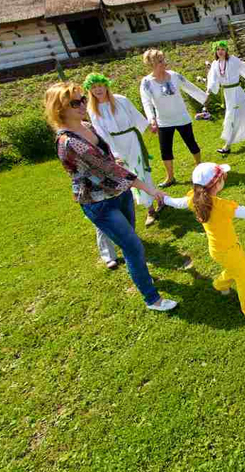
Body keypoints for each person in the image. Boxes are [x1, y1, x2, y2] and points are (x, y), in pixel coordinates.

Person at [45, 82, 176, 312]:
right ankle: (152, 299)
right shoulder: (68, 142)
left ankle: (140, 275)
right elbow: (107, 170)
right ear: (59, 109)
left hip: (120, 193)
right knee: (133, 246)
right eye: (74, 103)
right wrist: (150, 189)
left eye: (82, 100)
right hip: (99, 203)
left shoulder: (86, 126)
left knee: (130, 242)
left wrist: (114, 160)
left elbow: (105, 158)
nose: (82, 105)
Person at [161, 163, 245, 320]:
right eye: (222, 177)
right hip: (229, 251)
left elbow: (177, 203)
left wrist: (164, 198)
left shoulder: (194, 199)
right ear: (216, 184)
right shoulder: (222, 206)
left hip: (217, 250)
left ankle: (220, 284)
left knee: (234, 269)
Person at [84, 73, 163, 271]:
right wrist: (111, 154)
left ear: (106, 86)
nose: (98, 90)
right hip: (115, 145)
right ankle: (146, 205)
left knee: (140, 171)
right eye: (94, 88)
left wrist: (149, 126)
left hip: (131, 140)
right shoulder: (92, 110)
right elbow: (100, 134)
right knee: (126, 177)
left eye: (101, 85)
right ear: (91, 91)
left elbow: (136, 116)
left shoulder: (120, 100)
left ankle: (151, 208)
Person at [140, 49, 209, 189]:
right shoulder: (147, 82)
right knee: (165, 150)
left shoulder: (174, 76)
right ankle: (170, 177)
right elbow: (146, 102)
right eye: (160, 61)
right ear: (152, 64)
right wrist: (152, 119)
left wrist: (205, 98)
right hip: (164, 122)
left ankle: (200, 170)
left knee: (191, 143)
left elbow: (189, 87)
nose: (164, 63)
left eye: (163, 59)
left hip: (182, 117)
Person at [206, 40, 245, 155]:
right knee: (244, 115)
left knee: (232, 117)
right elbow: (212, 79)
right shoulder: (214, 64)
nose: (220, 51)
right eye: (218, 49)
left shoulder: (233, 60)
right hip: (227, 94)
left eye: (222, 49)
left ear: (226, 50)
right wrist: (208, 90)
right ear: (215, 51)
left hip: (237, 93)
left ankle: (227, 146)